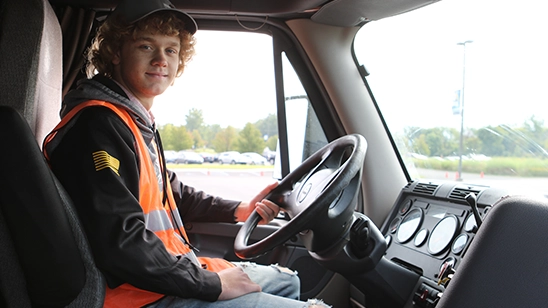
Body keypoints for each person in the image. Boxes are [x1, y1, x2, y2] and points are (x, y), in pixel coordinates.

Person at [42, 0, 330, 307]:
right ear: (115, 52)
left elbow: (173, 193)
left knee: (288, 281)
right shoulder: (97, 126)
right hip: (137, 295)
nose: (161, 60)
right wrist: (210, 284)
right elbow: (120, 243)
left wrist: (240, 209)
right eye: (145, 47)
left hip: (166, 274)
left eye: (171, 50)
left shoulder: (133, 120)